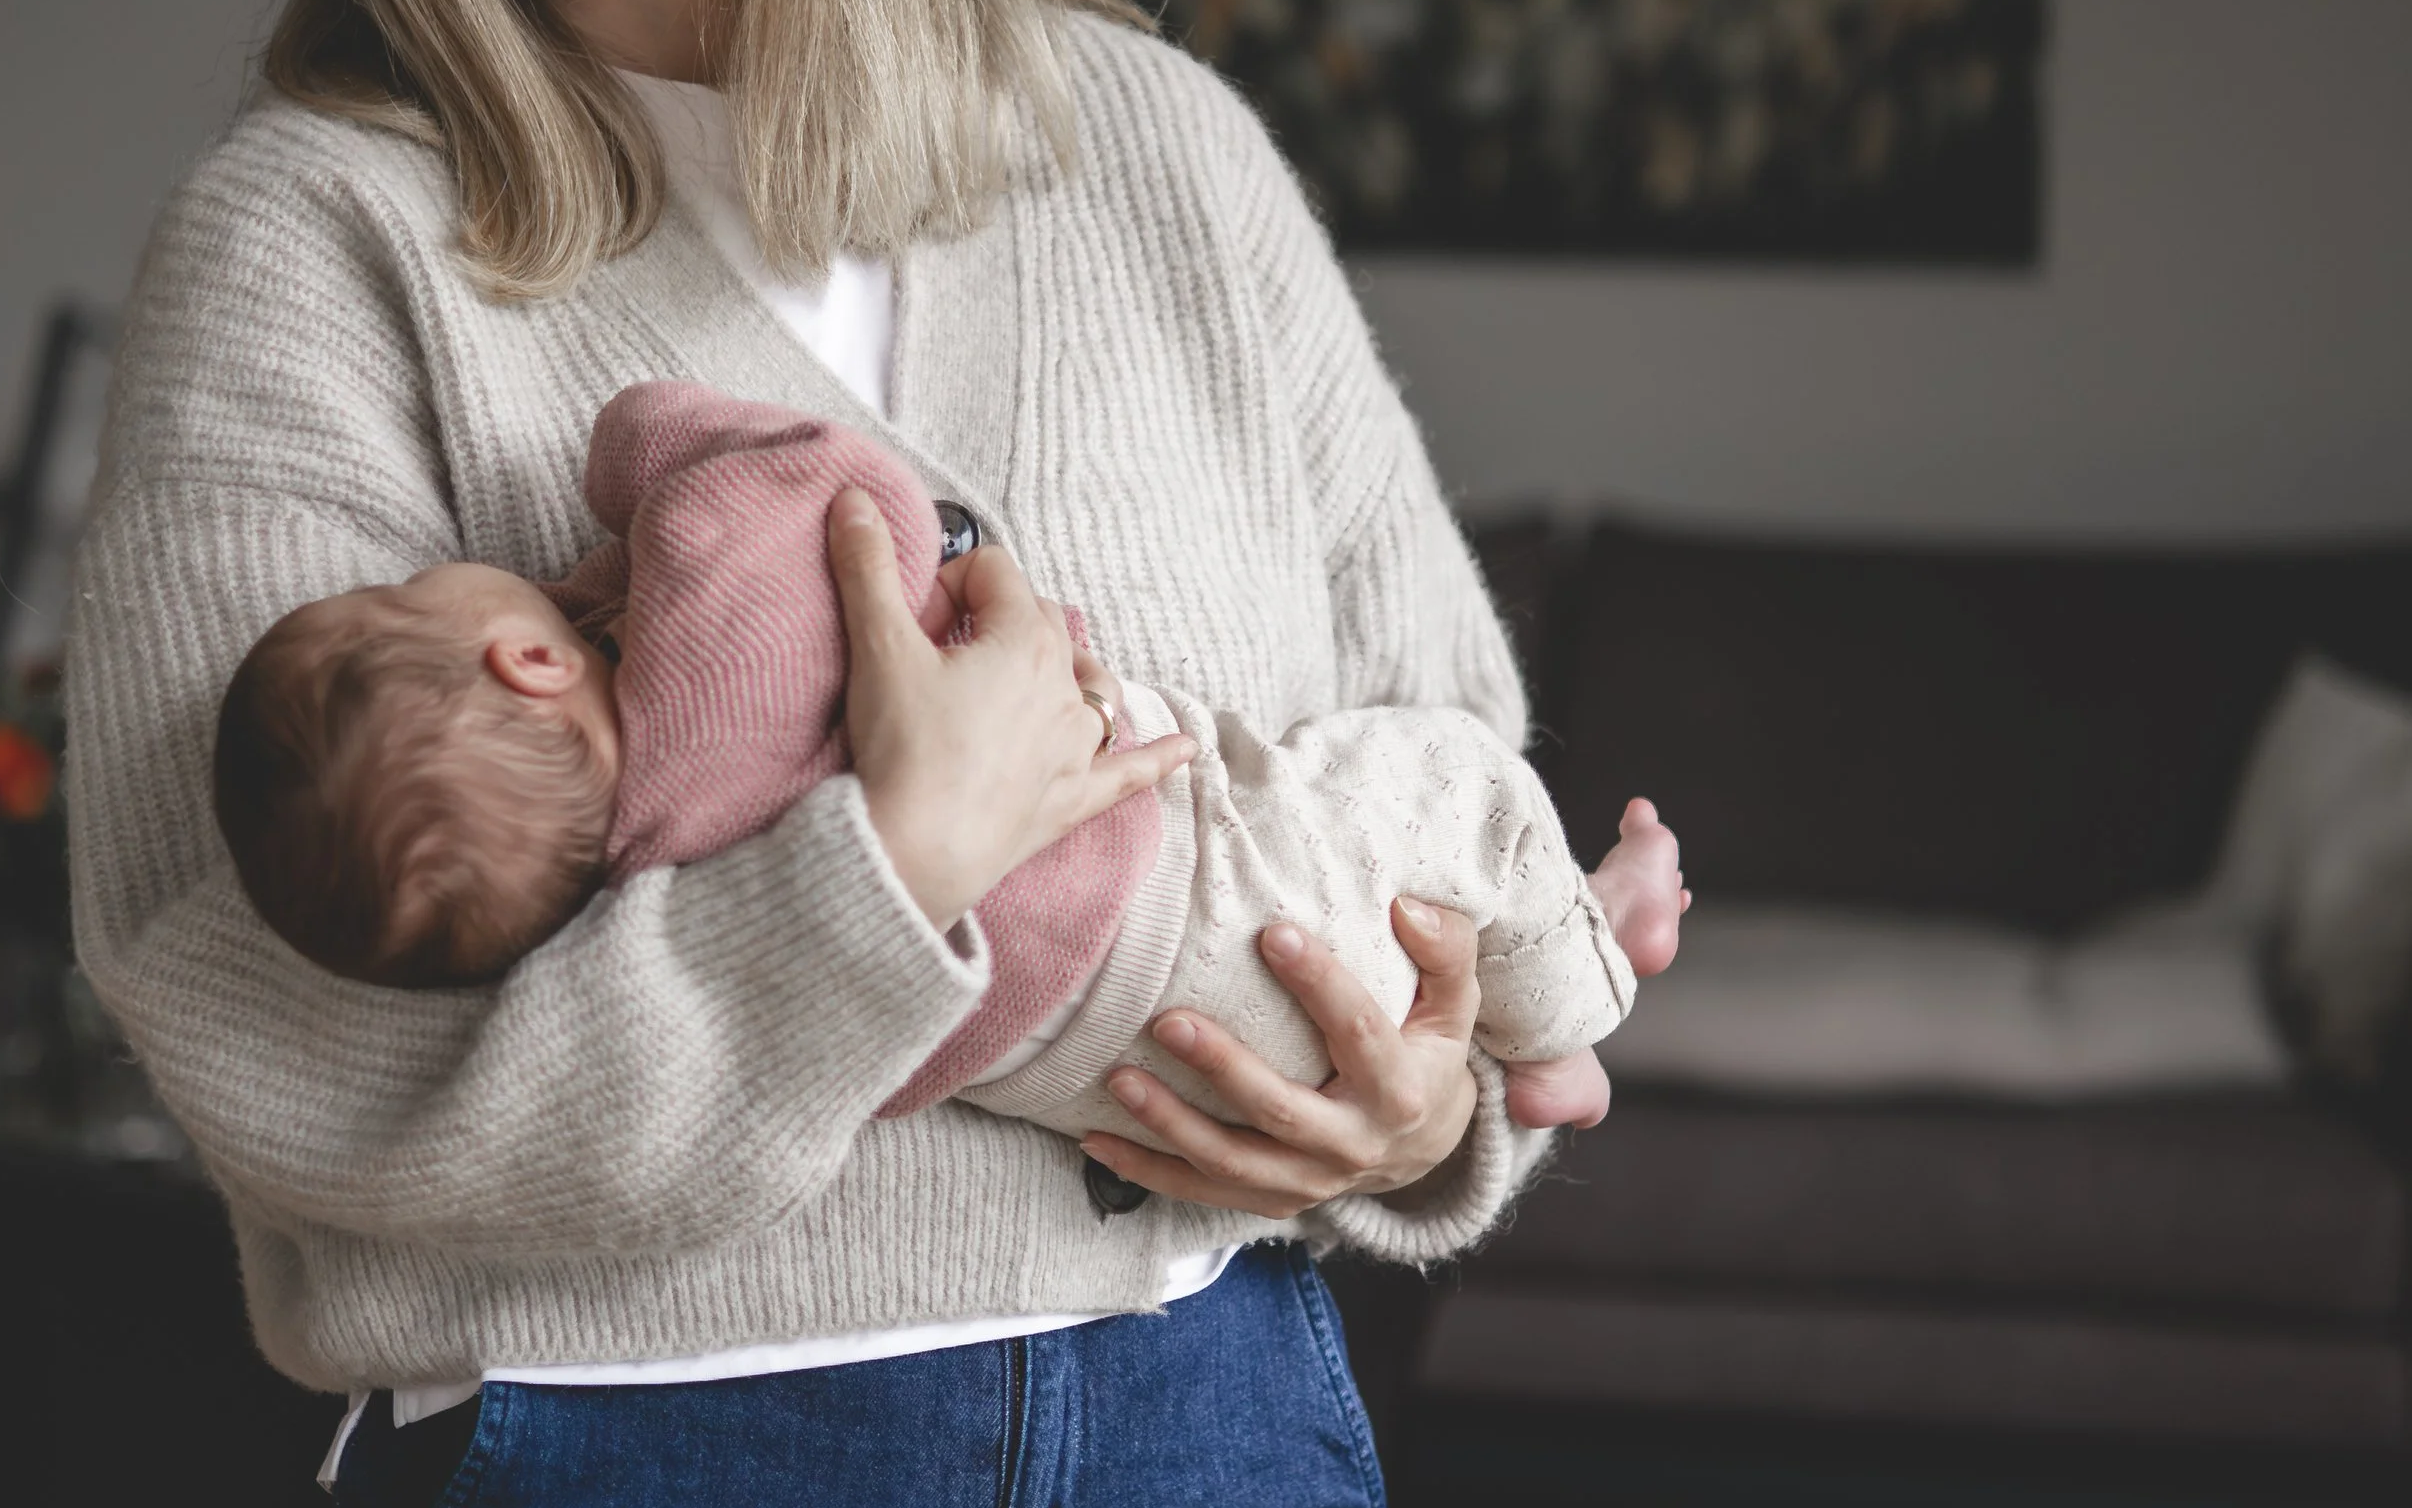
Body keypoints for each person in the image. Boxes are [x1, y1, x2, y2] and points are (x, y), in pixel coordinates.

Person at [64, 0, 1685, 1508]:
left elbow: (1450, 761)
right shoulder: (314, 232)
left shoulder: (1160, 150)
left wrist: (1426, 1116)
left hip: (1217, 1466)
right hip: (638, 1500)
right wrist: (884, 883)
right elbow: (275, 1038)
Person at [208, 380, 1682, 1135]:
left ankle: (1524, 1014)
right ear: (526, 657)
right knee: (1449, 775)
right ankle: (1566, 1005)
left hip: (1109, 1082)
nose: (446, 568)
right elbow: (801, 474)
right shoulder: (714, 629)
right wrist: (630, 469)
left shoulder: (649, 886)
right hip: (1218, 908)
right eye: (413, 591)